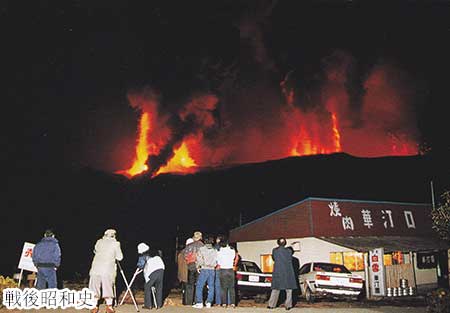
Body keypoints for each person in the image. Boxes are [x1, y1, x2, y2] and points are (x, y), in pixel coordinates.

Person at [88, 229, 123, 313]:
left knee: (94, 287)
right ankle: (109, 306)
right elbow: (120, 257)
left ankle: (93, 306)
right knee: (108, 287)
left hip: (95, 269)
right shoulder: (116, 244)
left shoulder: (99, 242)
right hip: (107, 270)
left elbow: (95, 251)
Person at [267, 238, 297, 311]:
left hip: (278, 272)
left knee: (275, 289)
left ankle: (271, 305)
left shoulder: (275, 251)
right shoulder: (289, 251)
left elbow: (274, 258)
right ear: (285, 243)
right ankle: (288, 306)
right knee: (289, 290)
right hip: (288, 272)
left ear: (278, 243)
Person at [137, 243, 165, 310]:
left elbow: (141, 265)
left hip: (153, 270)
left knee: (147, 286)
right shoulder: (154, 252)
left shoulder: (143, 256)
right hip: (161, 268)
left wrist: (139, 265)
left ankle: (148, 305)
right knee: (159, 287)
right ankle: (159, 304)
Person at [193, 236, 217, 309]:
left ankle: (199, 302)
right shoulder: (215, 250)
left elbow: (199, 259)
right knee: (211, 286)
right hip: (212, 269)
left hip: (204, 268)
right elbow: (216, 260)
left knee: (199, 286)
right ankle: (209, 302)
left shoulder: (201, 249)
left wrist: (198, 267)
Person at [183, 231, 204, 305]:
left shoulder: (189, 245)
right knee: (199, 284)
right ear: (201, 237)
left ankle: (189, 302)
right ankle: (197, 301)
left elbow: (185, 256)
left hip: (191, 265)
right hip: (200, 266)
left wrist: (189, 261)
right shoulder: (202, 246)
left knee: (190, 285)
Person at [216, 238, 237, 308]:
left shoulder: (219, 251)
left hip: (223, 270)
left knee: (223, 288)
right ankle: (232, 303)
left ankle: (224, 303)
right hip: (230, 270)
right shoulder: (232, 250)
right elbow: (234, 258)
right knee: (231, 288)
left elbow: (218, 262)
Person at [178, 238, 193, 305]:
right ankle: (188, 302)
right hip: (187, 271)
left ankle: (185, 301)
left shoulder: (182, 252)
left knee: (185, 288)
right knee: (189, 287)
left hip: (183, 273)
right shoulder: (189, 252)